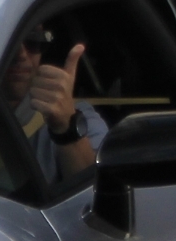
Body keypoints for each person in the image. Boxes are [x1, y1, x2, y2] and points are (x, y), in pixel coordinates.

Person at [6, 28, 103, 181]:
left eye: (34, 41)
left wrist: (66, 127)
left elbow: (97, 192)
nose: (21, 54)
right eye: (8, 42)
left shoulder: (81, 118)